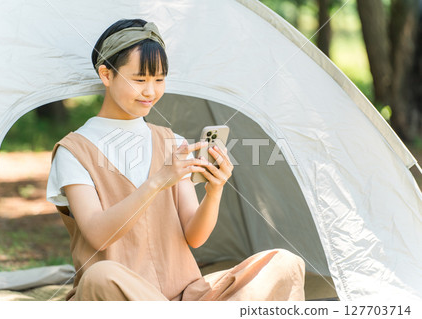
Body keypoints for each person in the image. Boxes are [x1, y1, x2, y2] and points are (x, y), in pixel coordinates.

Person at [46, 18, 305, 301]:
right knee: (100, 275)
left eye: (159, 79)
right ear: (106, 75)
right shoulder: (73, 151)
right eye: (139, 79)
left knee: (284, 263)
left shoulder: (173, 142)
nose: (150, 91)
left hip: (186, 296)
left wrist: (214, 190)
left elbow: (194, 236)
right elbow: (99, 236)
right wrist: (157, 181)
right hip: (120, 296)